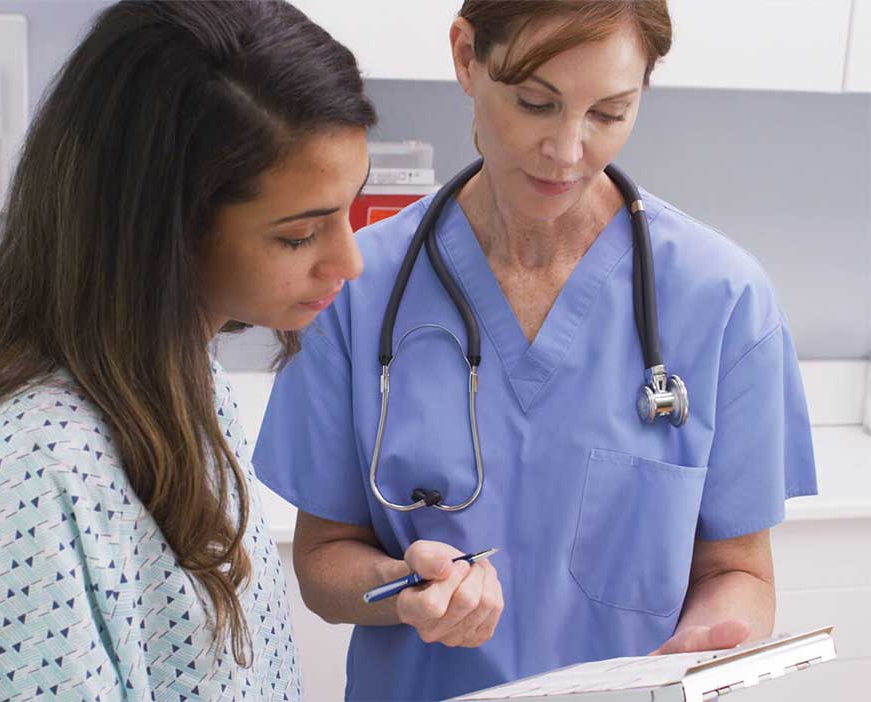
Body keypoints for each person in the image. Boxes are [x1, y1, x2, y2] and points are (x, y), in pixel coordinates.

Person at [253, 1, 818, 700]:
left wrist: (717, 633)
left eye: (609, 113)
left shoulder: (723, 300)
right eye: (535, 103)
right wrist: (403, 590)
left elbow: (740, 572)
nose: (567, 149)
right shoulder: (356, 285)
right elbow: (320, 562)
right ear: (465, 57)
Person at [0, 2, 374, 700]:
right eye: (299, 235)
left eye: (350, 210)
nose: (349, 261)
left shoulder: (180, 377)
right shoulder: (41, 465)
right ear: (163, 230)